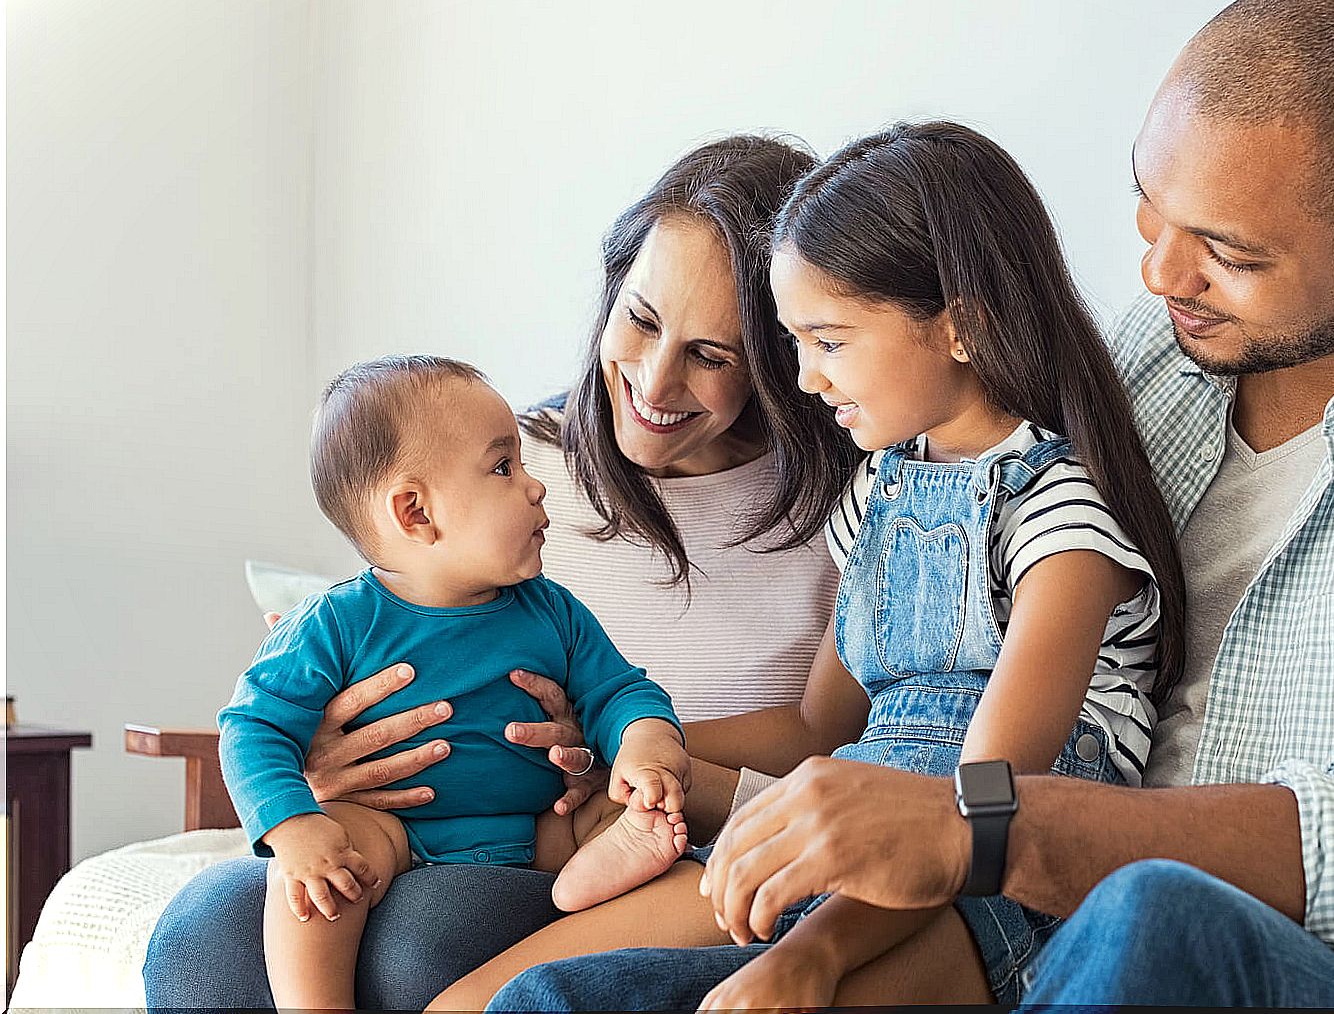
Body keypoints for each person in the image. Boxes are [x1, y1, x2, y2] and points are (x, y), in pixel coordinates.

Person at [492, 0, 1334, 1011]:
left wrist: (978, 825)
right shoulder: (1156, 358)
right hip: (1016, 903)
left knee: (1149, 916)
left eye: (1225, 252)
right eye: (1149, 211)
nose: (1159, 278)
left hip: (1278, 961)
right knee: (555, 1001)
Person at [426, 119, 1189, 1011]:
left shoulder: (1059, 519)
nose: (806, 378)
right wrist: (624, 745)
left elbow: (983, 809)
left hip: (979, 883)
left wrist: (812, 956)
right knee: (492, 1001)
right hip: (838, 827)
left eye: (826, 341)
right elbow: (822, 727)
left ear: (962, 328)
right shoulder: (878, 494)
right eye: (792, 344)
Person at [143, 134, 861, 1011]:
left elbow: (827, 735)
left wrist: (622, 748)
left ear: (781, 356)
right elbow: (374, 622)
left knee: (419, 944)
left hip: (587, 824)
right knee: (202, 936)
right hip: (407, 816)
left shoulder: (843, 505)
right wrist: (312, 771)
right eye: (638, 319)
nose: (655, 378)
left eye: (712, 355)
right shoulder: (507, 455)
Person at [219, 355, 694, 1010]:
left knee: (614, 806)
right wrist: (296, 828)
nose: (535, 487)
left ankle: (592, 874)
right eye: (504, 467)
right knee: (321, 875)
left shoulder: (552, 609)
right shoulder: (337, 621)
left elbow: (620, 690)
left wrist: (644, 747)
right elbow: (253, 726)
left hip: (539, 826)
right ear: (416, 512)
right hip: (395, 830)